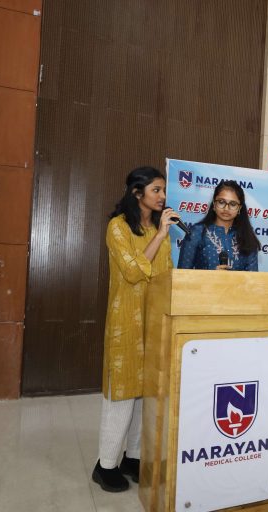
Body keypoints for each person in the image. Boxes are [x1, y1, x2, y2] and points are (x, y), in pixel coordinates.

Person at [93, 166, 177, 492]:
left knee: (145, 394)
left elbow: (164, 275)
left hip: (153, 322)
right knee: (122, 395)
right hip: (126, 322)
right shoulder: (117, 227)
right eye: (156, 190)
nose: (163, 196)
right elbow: (132, 272)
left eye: (163, 190)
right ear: (137, 192)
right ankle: (105, 465)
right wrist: (159, 237)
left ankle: (133, 456)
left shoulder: (158, 229)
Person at [177, 180, 260, 271]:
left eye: (233, 204)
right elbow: (182, 274)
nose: (226, 208)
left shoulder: (247, 237)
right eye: (221, 202)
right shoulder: (197, 232)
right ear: (214, 204)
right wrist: (212, 276)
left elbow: (253, 277)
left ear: (239, 208)